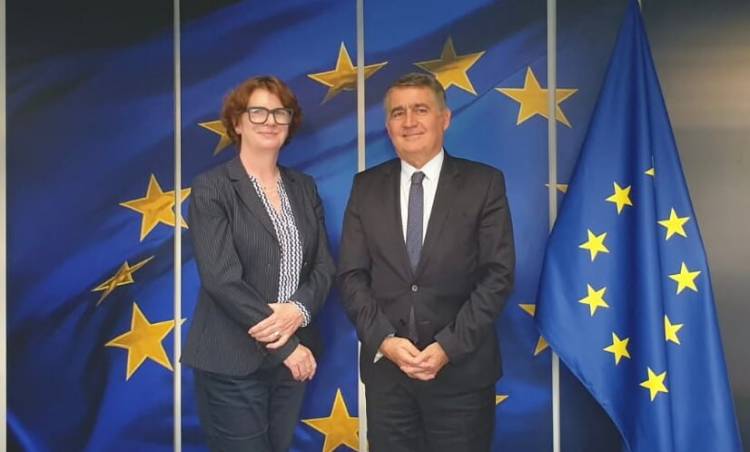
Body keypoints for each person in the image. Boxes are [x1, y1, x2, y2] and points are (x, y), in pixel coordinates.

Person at [337, 72, 515, 452]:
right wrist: (385, 341)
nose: (409, 121)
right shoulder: (365, 187)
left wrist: (448, 346)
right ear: (388, 127)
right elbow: (352, 276)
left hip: (462, 375)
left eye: (420, 109)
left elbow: (497, 275)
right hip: (388, 379)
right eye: (398, 113)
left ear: (444, 118)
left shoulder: (484, 183)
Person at [183, 75, 335, 452]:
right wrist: (285, 346)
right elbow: (221, 279)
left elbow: (323, 266)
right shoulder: (212, 187)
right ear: (237, 122)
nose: (270, 121)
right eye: (258, 112)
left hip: (293, 357)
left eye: (280, 113)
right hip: (232, 358)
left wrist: (298, 311)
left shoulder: (304, 187)